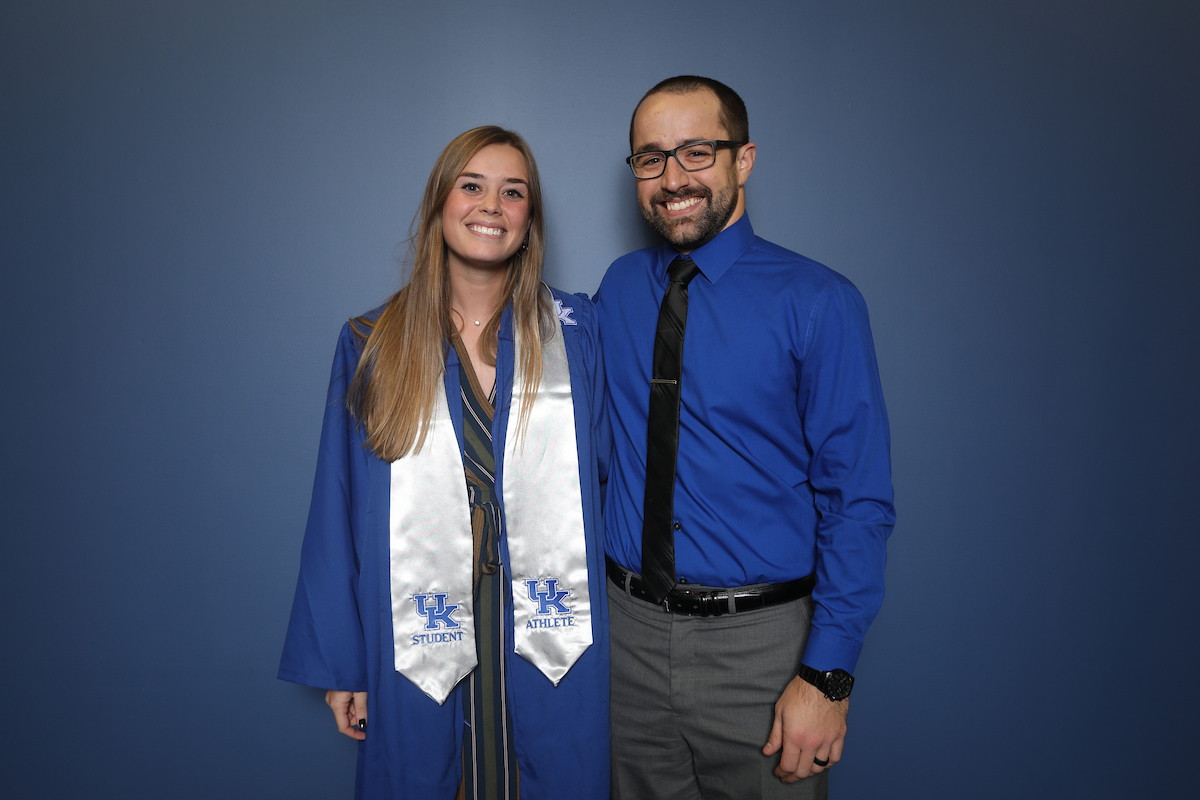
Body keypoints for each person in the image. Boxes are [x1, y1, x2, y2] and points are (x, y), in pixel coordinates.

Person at [279, 126, 610, 799]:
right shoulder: (373, 342)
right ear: (439, 204)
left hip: (547, 617)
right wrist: (346, 662)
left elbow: (608, 479)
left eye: (512, 192)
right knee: (432, 773)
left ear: (528, 221)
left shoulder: (575, 334)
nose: (492, 204)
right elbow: (337, 504)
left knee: (549, 767)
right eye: (472, 186)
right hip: (422, 618)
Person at [597, 76, 895, 799]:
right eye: (651, 158)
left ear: (745, 159)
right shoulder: (618, 289)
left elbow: (858, 501)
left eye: (696, 152)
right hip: (624, 639)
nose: (673, 179)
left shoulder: (819, 302)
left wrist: (826, 677)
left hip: (760, 651)